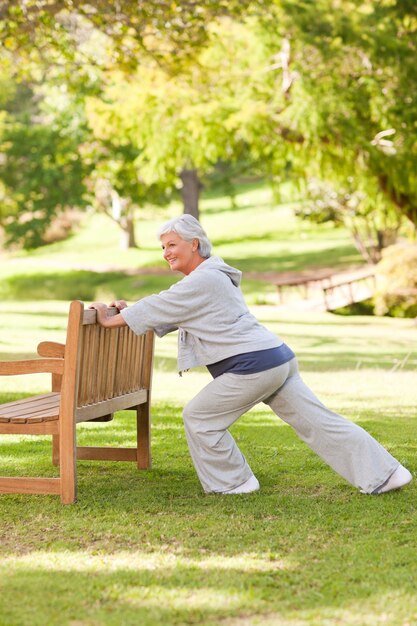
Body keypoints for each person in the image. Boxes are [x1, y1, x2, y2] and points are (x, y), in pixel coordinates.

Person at [89, 214, 412, 496]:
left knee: (200, 418)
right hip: (277, 359)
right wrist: (128, 311)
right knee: (320, 422)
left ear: (195, 245)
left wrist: (107, 318)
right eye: (163, 248)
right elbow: (168, 310)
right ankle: (386, 474)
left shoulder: (203, 279)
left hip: (254, 366)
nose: (166, 253)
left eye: (171, 245)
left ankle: (233, 483)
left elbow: (161, 304)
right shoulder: (209, 278)